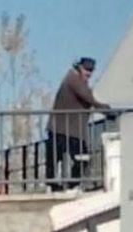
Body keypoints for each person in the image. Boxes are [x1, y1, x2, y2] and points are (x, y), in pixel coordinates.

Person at [47, 57, 110, 190]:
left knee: (77, 158)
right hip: (63, 128)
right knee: (65, 158)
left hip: (69, 129)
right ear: (79, 67)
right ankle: (61, 185)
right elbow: (88, 98)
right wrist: (105, 109)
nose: (89, 73)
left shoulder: (76, 80)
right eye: (86, 69)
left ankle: (67, 185)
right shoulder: (73, 79)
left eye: (91, 70)